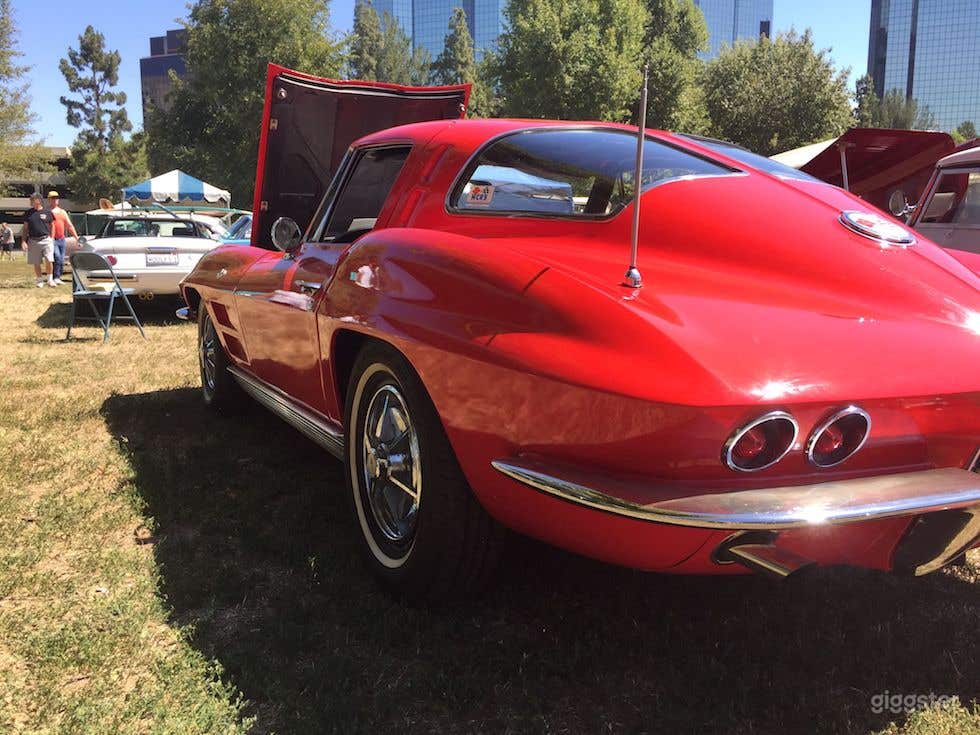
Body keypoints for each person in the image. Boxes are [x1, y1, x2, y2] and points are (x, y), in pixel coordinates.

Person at [21, 193, 56, 287]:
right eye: (30, 199)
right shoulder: (28, 213)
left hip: (46, 239)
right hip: (33, 240)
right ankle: (40, 280)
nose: (31, 201)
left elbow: (52, 225)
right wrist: (23, 241)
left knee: (49, 259)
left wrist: (52, 238)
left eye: (32, 199)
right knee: (36, 262)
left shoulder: (48, 212)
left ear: (39, 200)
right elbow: (25, 228)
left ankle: (50, 280)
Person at [47, 190, 77, 283]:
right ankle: (55, 277)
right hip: (52, 239)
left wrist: (76, 237)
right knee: (57, 257)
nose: (55, 200)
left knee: (61, 259)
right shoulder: (47, 212)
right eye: (53, 198)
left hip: (61, 239)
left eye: (56, 198)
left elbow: (69, 225)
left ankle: (57, 277)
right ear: (49, 200)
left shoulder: (63, 212)